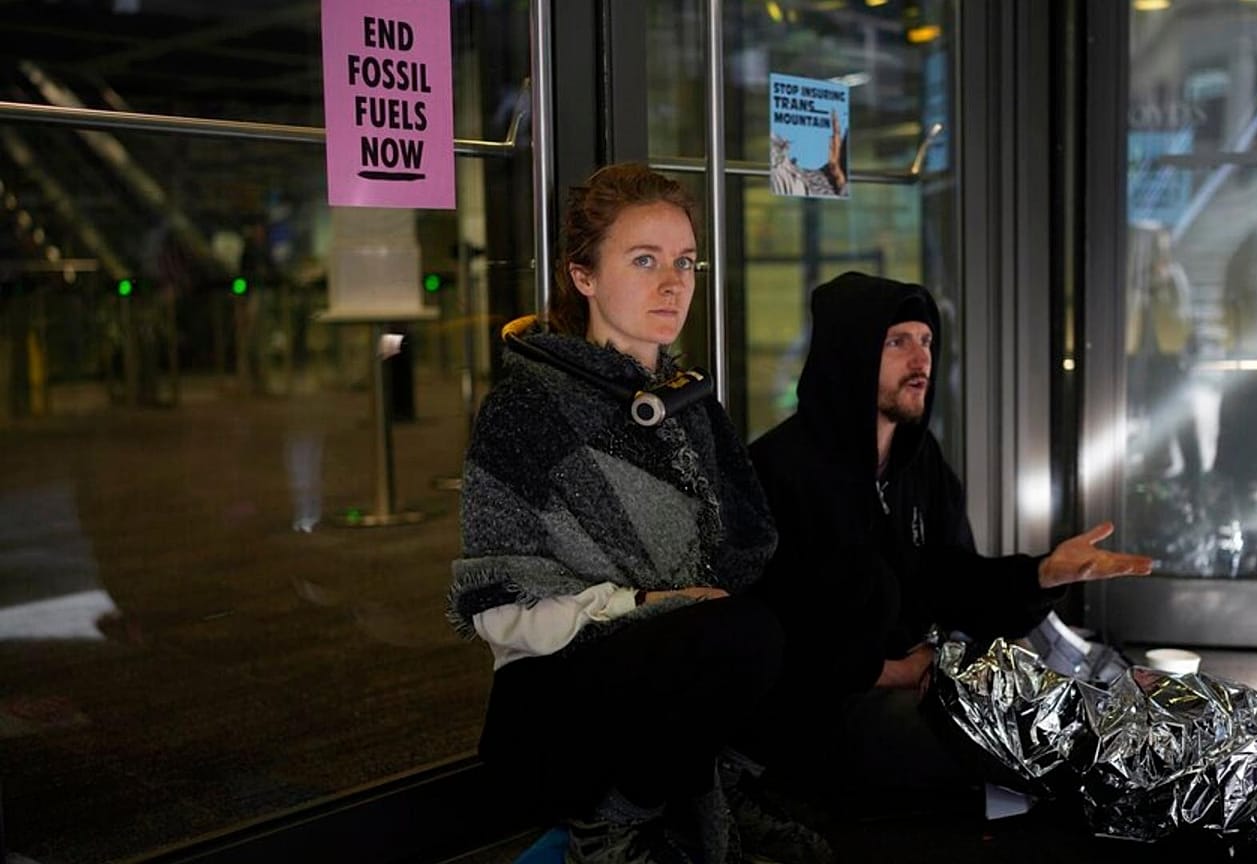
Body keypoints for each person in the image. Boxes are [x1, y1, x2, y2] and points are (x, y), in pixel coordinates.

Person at [448, 163, 788, 864]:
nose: (673, 283)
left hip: (666, 663)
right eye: (644, 260)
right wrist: (648, 602)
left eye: (685, 262)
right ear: (584, 276)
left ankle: (721, 794)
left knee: (807, 599)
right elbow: (498, 606)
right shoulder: (529, 407)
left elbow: (746, 542)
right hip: (554, 703)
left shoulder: (685, 401)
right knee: (739, 634)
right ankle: (612, 827)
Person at [743, 271, 1154, 808]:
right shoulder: (780, 469)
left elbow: (954, 581)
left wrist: (1043, 573)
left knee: (1089, 720)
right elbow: (776, 631)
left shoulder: (919, 461)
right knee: (1038, 750)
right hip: (825, 715)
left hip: (924, 685)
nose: (921, 361)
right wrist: (892, 671)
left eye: (927, 342)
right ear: (849, 355)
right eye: (897, 343)